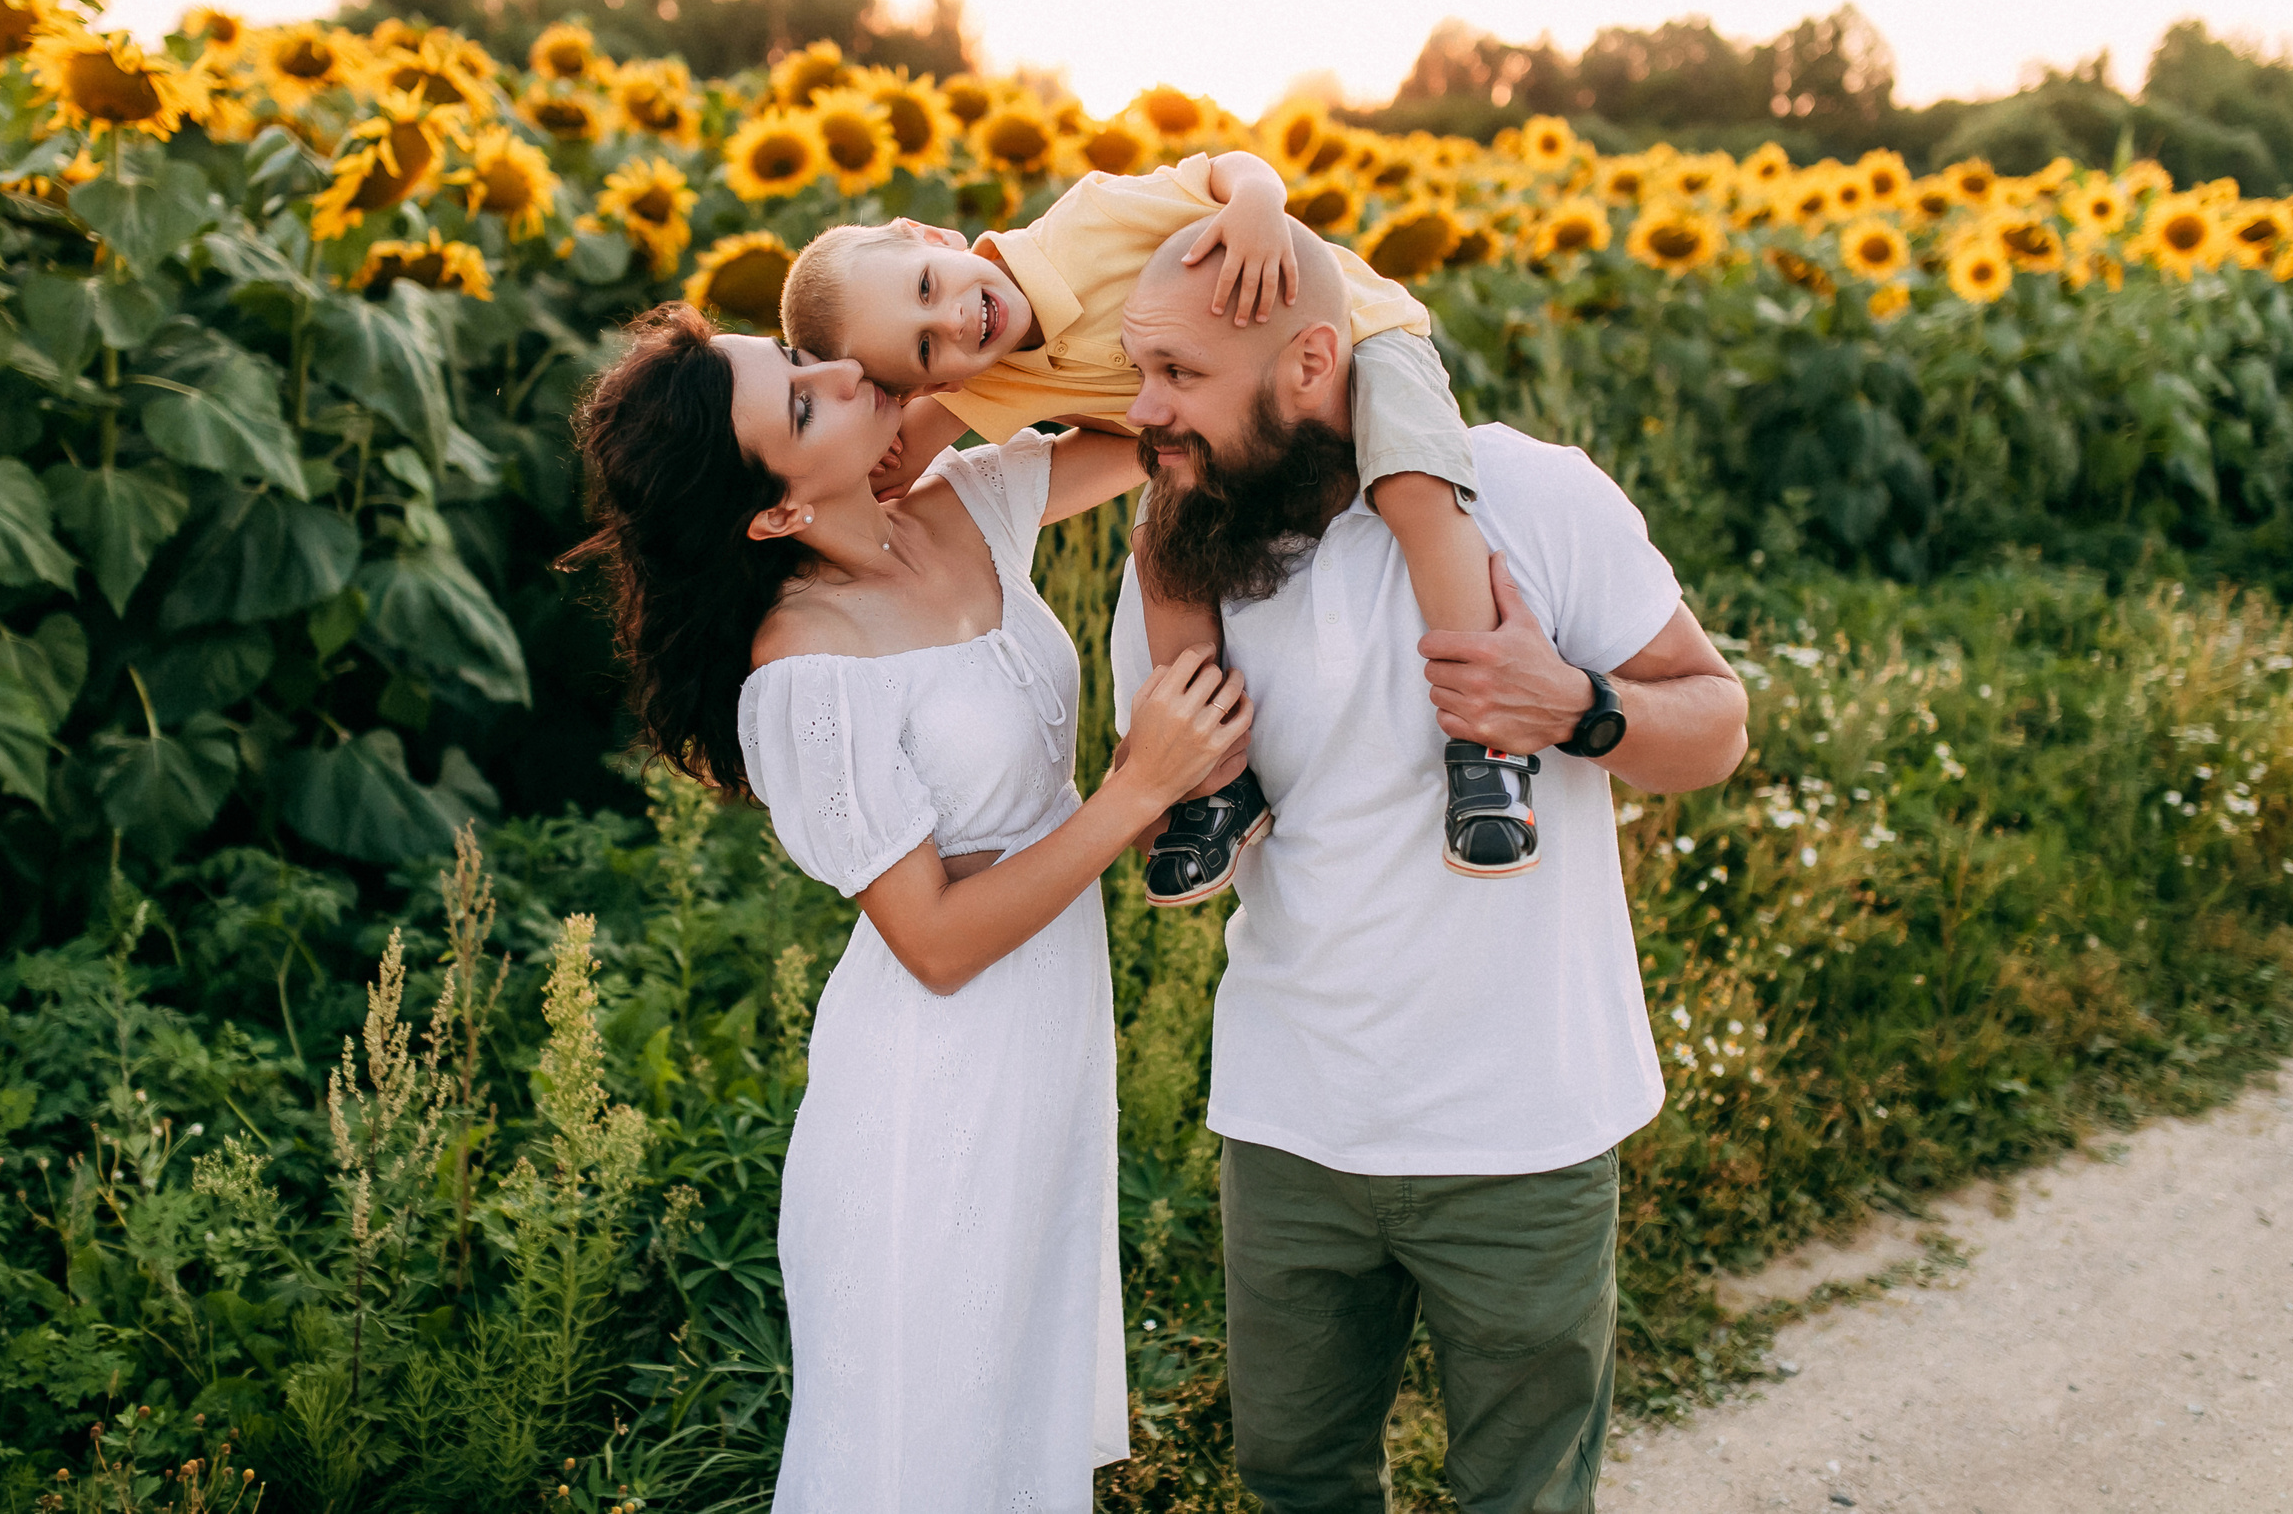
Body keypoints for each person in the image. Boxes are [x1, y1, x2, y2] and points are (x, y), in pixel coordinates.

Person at [564, 303, 1253, 1512]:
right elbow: (931, 944)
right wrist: (1136, 788)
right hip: (931, 1084)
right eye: (799, 401)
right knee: (921, 1447)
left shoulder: (958, 504)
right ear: (774, 512)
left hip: (1044, 1046)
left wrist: (951, 373)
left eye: (794, 356)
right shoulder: (803, 669)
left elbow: (1141, 421)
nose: (837, 370)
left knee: (1011, 1419)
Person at [1107, 223, 1752, 1513]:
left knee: (1522, 1494)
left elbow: (1716, 725)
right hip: (1292, 1124)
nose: (1144, 410)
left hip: (1524, 1129)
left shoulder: (1530, 494)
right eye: (1137, 369)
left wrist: (1573, 705)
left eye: (1175, 372)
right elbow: (1166, 807)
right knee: (1297, 1481)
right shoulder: (1185, 548)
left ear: (1307, 362)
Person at [777, 150, 1549, 903]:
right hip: (1227, 438)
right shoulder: (986, 375)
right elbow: (908, 445)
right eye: (924, 347)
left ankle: (1485, 743)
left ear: (931, 235)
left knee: (1416, 490)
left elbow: (1222, 167)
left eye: (925, 286)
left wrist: (1256, 203)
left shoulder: (1087, 223)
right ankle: (1219, 785)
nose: (951, 318)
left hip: (1353, 333)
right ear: (931, 380)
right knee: (1164, 552)